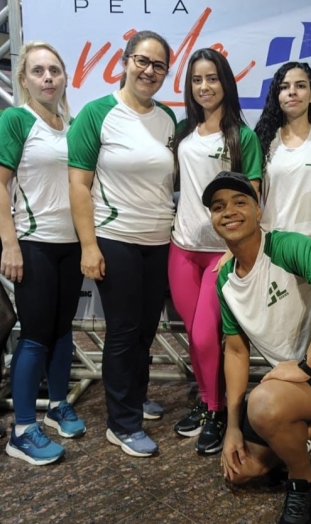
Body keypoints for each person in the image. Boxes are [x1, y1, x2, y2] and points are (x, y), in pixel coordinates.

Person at [204, 171, 311, 524]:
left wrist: (307, 366)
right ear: (212, 219)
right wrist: (232, 428)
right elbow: (236, 352)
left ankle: (305, 484)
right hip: (293, 386)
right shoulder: (225, 280)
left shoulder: (285, 245)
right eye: (218, 206)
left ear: (258, 210)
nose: (229, 211)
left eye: (240, 202)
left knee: (265, 406)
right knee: (242, 469)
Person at [68, 30, 177, 457]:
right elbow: (79, 185)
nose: (149, 71)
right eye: (142, 61)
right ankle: (122, 423)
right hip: (116, 239)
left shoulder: (167, 118)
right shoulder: (97, 114)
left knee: (147, 330)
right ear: (125, 61)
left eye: (158, 65)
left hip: (159, 240)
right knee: (123, 332)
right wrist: (89, 246)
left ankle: (134, 395)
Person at [169, 48, 262, 455]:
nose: (204, 87)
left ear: (226, 82)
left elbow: (253, 197)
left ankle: (219, 409)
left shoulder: (243, 136)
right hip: (182, 248)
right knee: (195, 335)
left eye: (212, 78)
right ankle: (210, 405)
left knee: (210, 338)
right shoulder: (181, 130)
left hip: (220, 255)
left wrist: (236, 250)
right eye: (196, 80)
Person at [0, 41, 85, 465]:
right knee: (34, 337)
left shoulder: (68, 125)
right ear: (24, 80)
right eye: (38, 71)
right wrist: (9, 242)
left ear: (65, 76)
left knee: (62, 330)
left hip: (71, 246)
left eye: (54, 69)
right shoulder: (17, 119)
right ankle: (22, 430)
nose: (48, 77)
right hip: (33, 243)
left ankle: (56, 406)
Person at [254, 62, 311, 257]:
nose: (292, 92)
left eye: (300, 85)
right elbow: (252, 199)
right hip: (272, 247)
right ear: (277, 96)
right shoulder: (262, 141)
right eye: (284, 87)